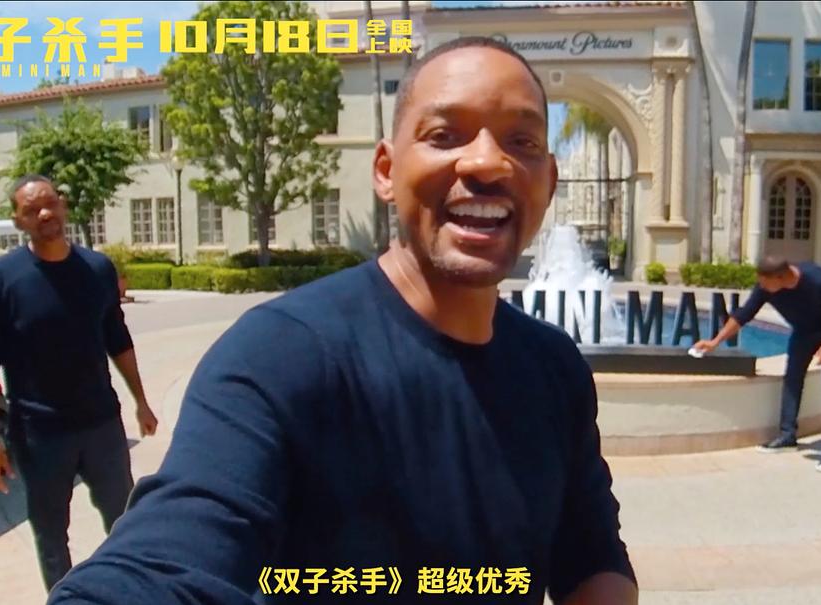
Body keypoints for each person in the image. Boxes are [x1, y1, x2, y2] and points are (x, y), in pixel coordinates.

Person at [48, 37, 637, 605]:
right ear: (385, 170)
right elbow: (171, 554)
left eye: (522, 141)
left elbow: (593, 559)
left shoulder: (553, 368)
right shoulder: (283, 353)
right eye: (444, 135)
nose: (486, 161)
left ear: (548, 181)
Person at [0, 175, 159, 591]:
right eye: (31, 209)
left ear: (63, 205)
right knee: (51, 535)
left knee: (126, 521)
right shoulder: (0, 278)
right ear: (18, 221)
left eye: (50, 203)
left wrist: (141, 400)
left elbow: (117, 337)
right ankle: (65, 598)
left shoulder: (97, 269)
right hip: (39, 435)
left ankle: (134, 592)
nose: (44, 213)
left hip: (101, 425)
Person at [694, 255, 821, 472]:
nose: (761, 286)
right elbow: (744, 314)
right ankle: (787, 435)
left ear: (781, 277)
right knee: (792, 378)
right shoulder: (766, 286)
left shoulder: (820, 282)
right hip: (804, 332)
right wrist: (715, 341)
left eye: (764, 282)